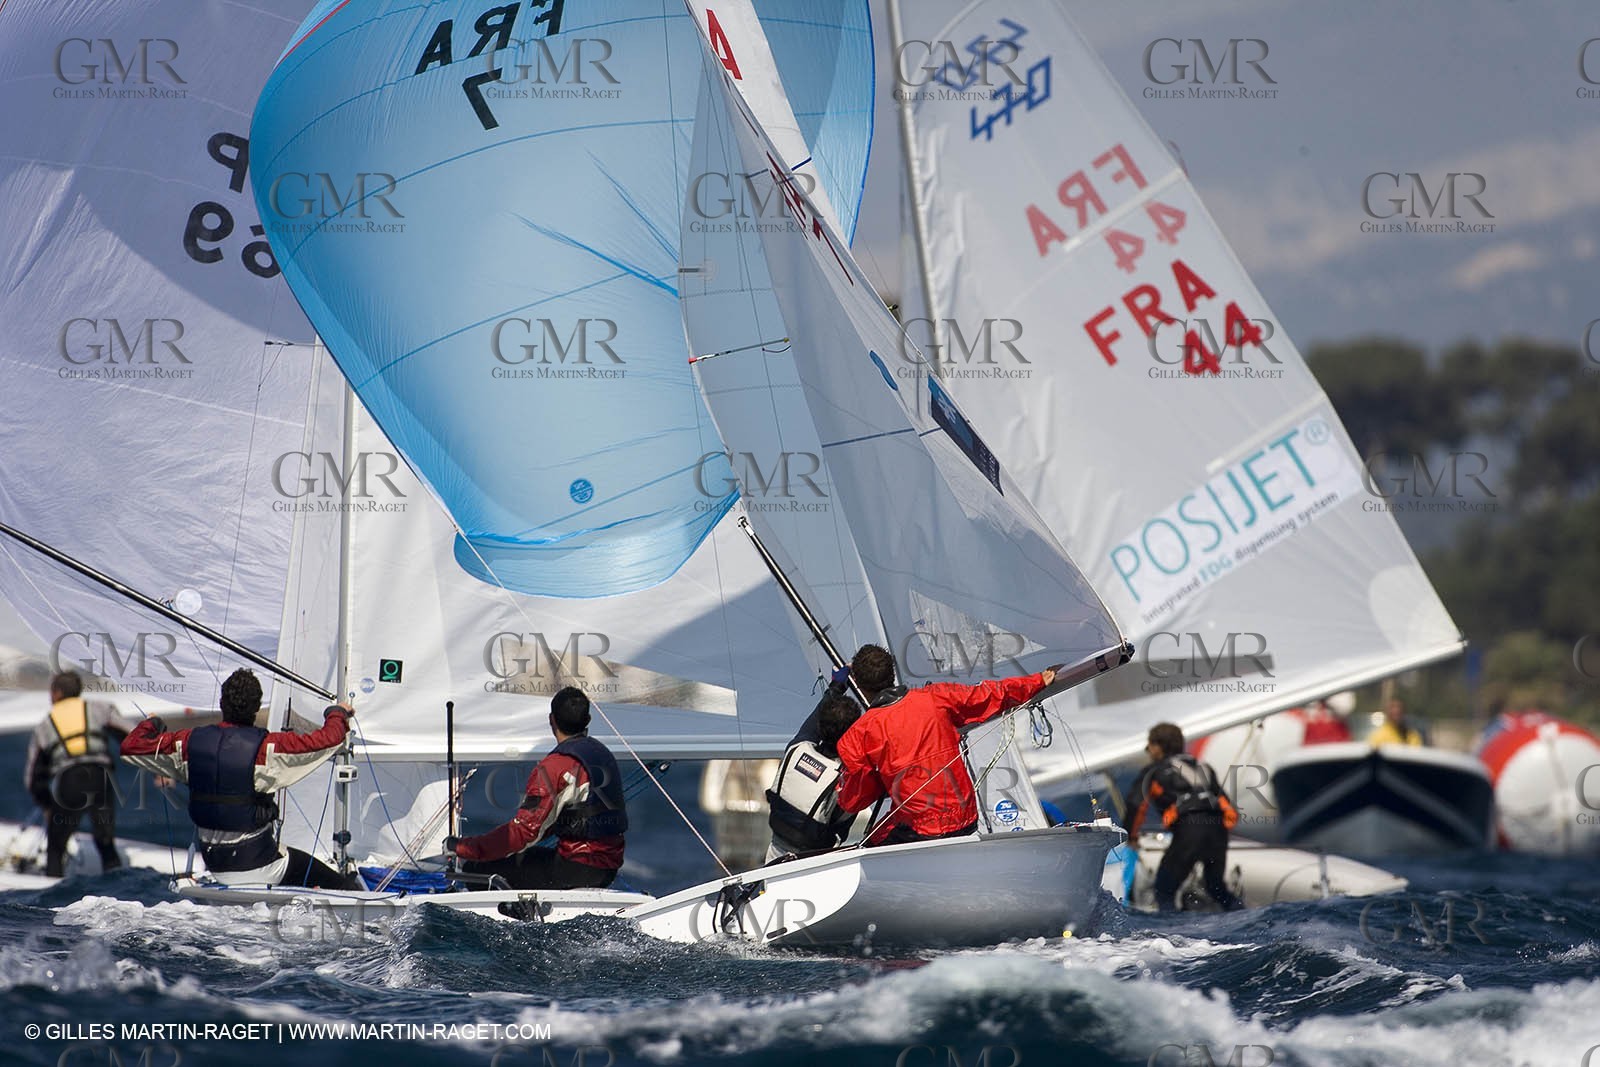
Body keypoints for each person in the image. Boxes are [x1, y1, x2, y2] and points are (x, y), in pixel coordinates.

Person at [121, 668, 357, 889]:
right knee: (343, 886)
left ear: (222, 703)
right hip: (258, 865)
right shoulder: (268, 748)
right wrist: (337, 713)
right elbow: (329, 739)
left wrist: (153, 723)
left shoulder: (187, 743)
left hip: (214, 865)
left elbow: (131, 746)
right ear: (256, 708)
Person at [833, 644, 1059, 846]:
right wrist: (1036, 681)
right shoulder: (936, 697)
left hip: (921, 829)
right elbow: (987, 694)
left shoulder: (857, 735)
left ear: (858, 685)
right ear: (892, 673)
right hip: (965, 818)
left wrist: (878, 780)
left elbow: (853, 802)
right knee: (891, 824)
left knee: (870, 842)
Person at [447, 686, 626, 889]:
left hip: (573, 870)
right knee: (528, 857)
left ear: (551, 720)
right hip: (607, 871)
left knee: (475, 870)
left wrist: (463, 846)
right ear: (588, 720)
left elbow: (523, 832)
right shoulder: (603, 754)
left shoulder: (554, 767)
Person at [1128, 722, 1243, 912]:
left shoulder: (1154, 771)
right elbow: (1228, 809)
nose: (1148, 751)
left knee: (1164, 890)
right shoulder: (1203, 766)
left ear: (1158, 747)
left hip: (1190, 831)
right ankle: (1243, 915)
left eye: (1149, 746)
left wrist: (1131, 838)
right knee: (1216, 888)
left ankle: (1173, 928)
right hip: (1217, 829)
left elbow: (1136, 805)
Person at [23, 672, 129, 877]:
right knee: (105, 841)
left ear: (56, 693)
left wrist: (46, 805)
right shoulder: (99, 708)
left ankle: (52, 887)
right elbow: (132, 734)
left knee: (56, 846)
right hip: (101, 778)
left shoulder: (45, 725)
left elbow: (32, 777)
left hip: (70, 782)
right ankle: (117, 885)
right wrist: (157, 769)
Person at [765, 685, 862, 861]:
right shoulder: (846, 777)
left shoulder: (797, 748)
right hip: (814, 860)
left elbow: (811, 725)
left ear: (820, 726)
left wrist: (835, 688)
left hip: (775, 850)